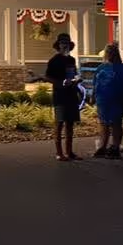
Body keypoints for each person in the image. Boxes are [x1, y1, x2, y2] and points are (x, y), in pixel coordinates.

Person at [91, 43, 123, 159]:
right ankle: (102, 146)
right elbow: (95, 83)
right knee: (103, 123)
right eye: (108, 52)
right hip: (103, 98)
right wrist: (93, 95)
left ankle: (115, 147)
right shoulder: (101, 68)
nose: (110, 55)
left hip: (118, 98)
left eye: (111, 52)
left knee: (116, 123)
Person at [45, 33, 82, 161]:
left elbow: (74, 74)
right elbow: (48, 77)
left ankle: (69, 152)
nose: (64, 46)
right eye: (62, 43)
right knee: (59, 123)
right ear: (58, 46)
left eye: (67, 44)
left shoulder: (71, 60)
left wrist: (77, 82)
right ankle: (59, 153)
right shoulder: (54, 61)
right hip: (60, 95)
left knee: (70, 123)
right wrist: (60, 83)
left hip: (71, 94)